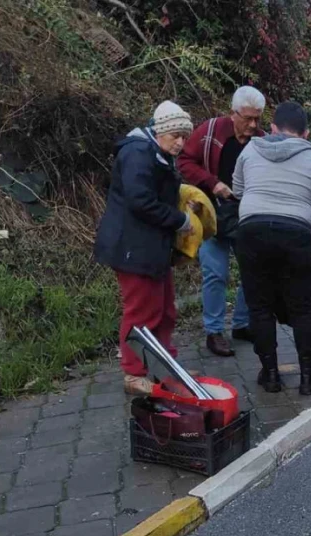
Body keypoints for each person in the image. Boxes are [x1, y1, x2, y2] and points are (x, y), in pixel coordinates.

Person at [233, 101, 311, 395]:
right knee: (302, 308)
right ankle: (307, 378)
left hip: (251, 232)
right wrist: (301, 212)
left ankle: (270, 375)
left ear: (274, 128)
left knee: (260, 307)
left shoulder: (251, 150)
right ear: (305, 134)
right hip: (295, 235)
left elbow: (238, 190)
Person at [94, 101, 195, 395]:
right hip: (133, 248)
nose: (180, 142)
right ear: (160, 131)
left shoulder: (157, 153)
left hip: (152, 249)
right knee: (141, 312)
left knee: (165, 311)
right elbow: (141, 201)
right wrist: (180, 221)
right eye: (175, 135)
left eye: (184, 136)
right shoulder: (138, 153)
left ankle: (166, 367)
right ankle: (133, 374)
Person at [178, 86, 267, 357]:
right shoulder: (210, 131)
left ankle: (242, 324)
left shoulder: (262, 141)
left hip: (247, 218)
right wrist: (212, 183)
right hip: (211, 216)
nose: (253, 125)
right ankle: (214, 332)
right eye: (247, 118)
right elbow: (184, 161)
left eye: (258, 119)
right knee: (216, 274)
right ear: (233, 113)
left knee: (253, 271)